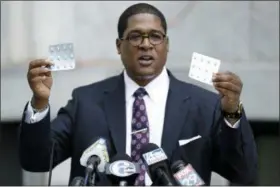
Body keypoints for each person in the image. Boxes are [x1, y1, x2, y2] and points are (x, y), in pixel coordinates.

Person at [19, 2, 258, 186]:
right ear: (118, 45)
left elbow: (242, 171)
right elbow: (36, 160)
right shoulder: (86, 101)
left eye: (155, 36)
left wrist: (232, 113)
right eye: (135, 36)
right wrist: (39, 104)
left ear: (167, 45)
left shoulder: (204, 104)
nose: (146, 44)